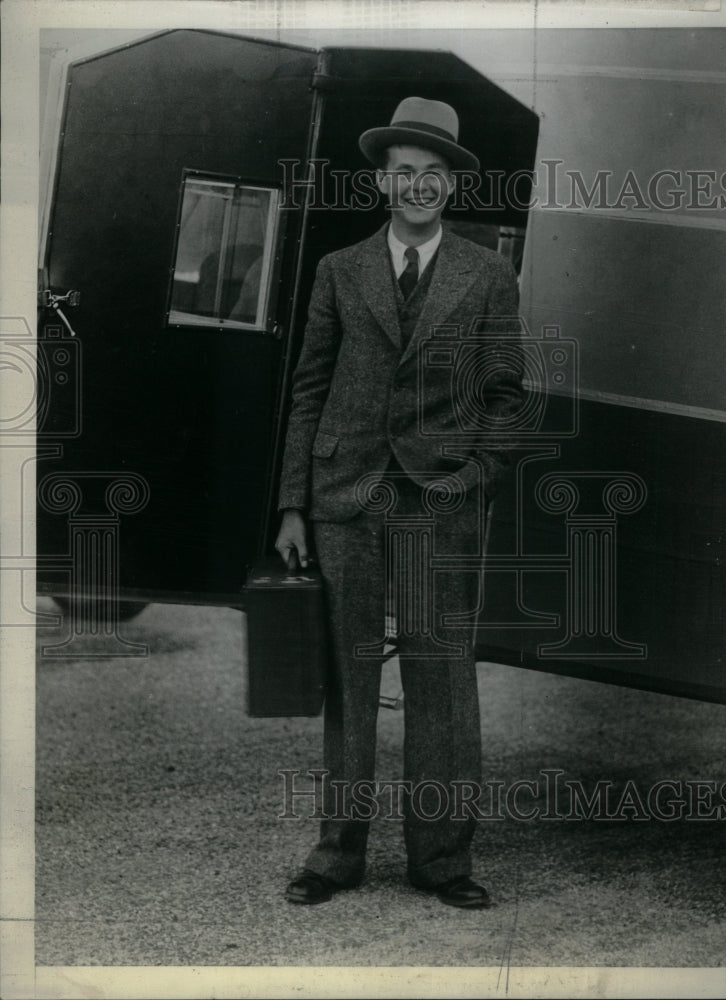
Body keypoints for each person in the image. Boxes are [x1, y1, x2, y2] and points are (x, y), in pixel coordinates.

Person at [275, 97, 524, 907]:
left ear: (451, 186)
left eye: (434, 174)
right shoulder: (339, 270)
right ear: (383, 180)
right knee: (348, 682)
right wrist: (291, 507)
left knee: (441, 682)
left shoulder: (487, 273)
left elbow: (507, 393)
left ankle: (442, 862)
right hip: (345, 497)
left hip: (437, 503)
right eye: (404, 171)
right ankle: (336, 854)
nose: (418, 186)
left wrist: (475, 475)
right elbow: (307, 390)